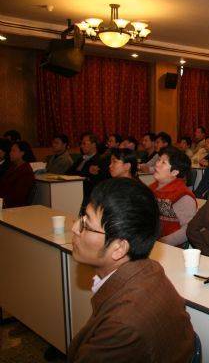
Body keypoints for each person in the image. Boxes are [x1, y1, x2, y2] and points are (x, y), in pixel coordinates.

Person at [67, 178, 195, 362]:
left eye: (86, 226)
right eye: (82, 217)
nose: (74, 228)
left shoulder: (122, 325)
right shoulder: (149, 268)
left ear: (119, 248)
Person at [149, 147, 196, 247]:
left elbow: (188, 229)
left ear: (174, 172)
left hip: (170, 248)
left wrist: (162, 243)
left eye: (163, 162)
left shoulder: (183, 196)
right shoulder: (151, 188)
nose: (157, 164)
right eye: (158, 160)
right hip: (150, 242)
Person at [68, 133, 110, 210]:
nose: (81, 146)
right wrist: (86, 172)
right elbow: (68, 173)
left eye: (84, 143)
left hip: (88, 196)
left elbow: (94, 181)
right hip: (73, 190)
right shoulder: (81, 159)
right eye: (81, 144)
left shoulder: (100, 160)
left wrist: (84, 174)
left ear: (94, 144)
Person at [0, 141, 35, 208]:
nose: (10, 153)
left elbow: (18, 196)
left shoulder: (25, 171)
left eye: (13, 151)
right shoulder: (13, 167)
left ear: (22, 153)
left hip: (12, 206)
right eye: (10, 150)